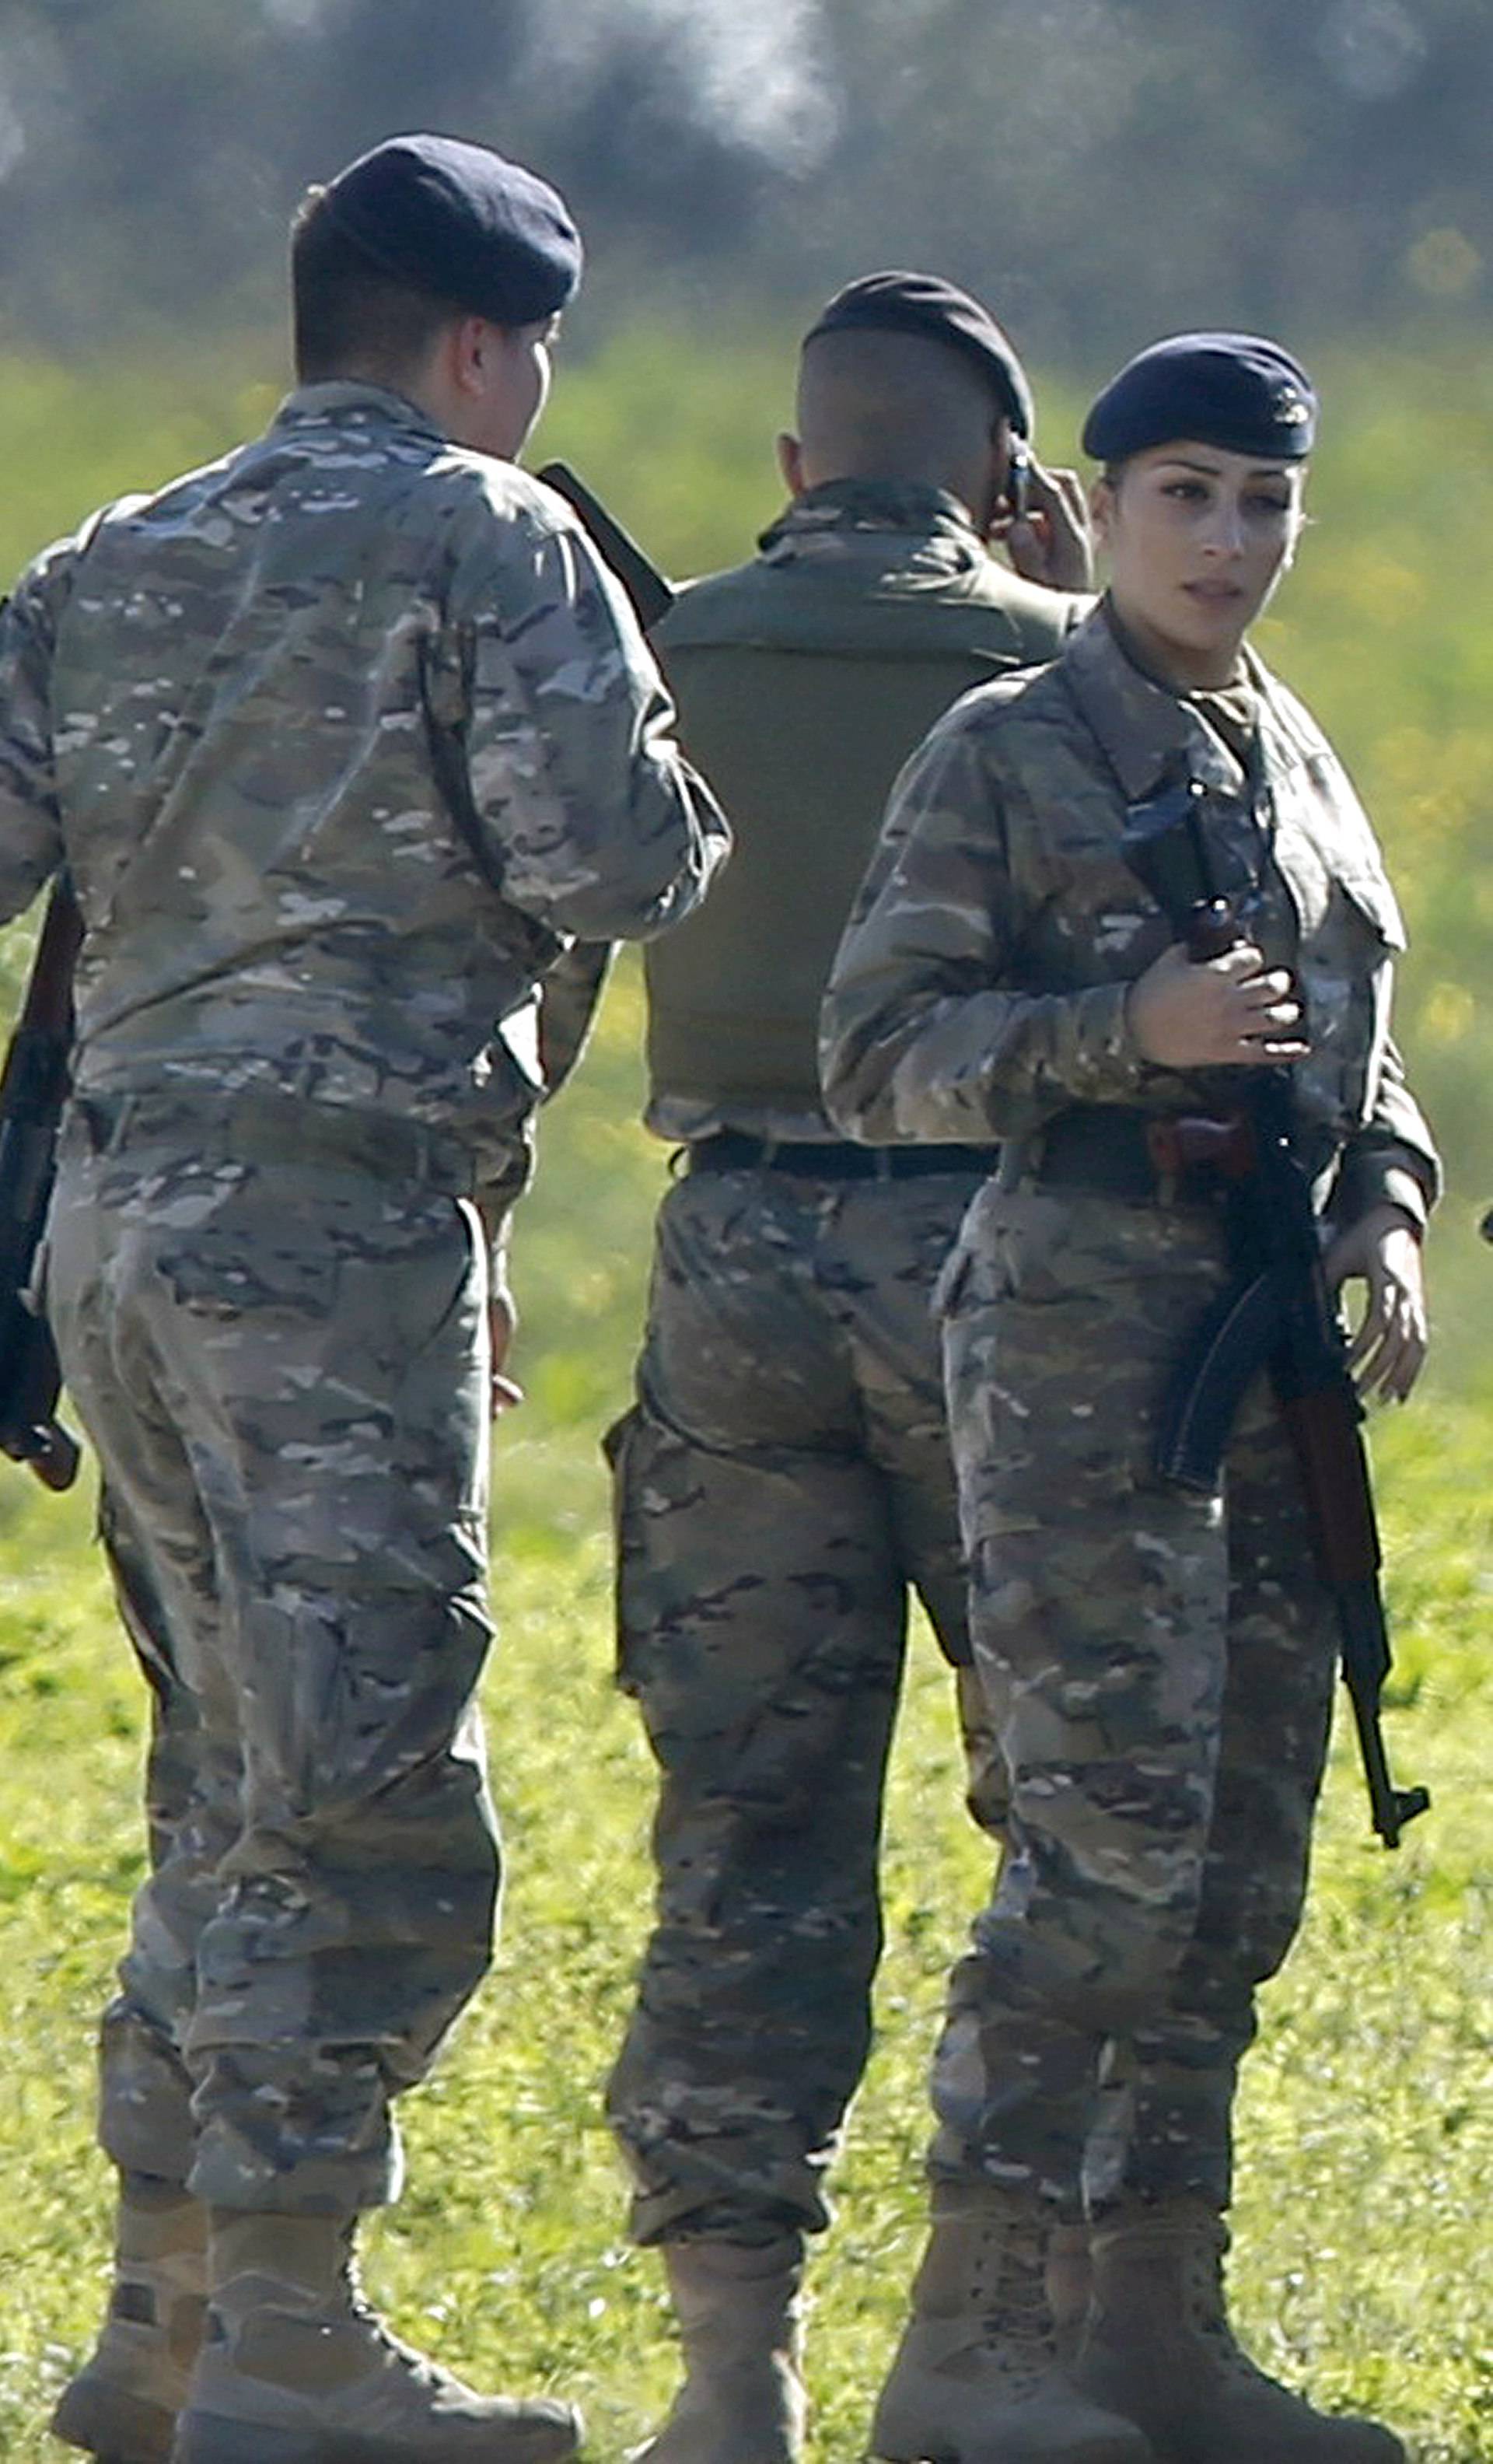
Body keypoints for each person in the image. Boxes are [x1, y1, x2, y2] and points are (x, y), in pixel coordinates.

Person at [0, 133, 726, 2464]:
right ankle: (297, 2354)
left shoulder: (112, 555)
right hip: (334, 1231)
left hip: (117, 1232)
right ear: (486, 347)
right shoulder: (486, 532)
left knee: (229, 1764)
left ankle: (167, 2329)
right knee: (373, 1786)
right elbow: (612, 858)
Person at [821, 333, 1438, 2464]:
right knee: (1097, 1848)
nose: (1231, 542)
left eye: (1265, 502)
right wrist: (1122, 1028)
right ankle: (968, 2350)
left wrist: (1391, 1214)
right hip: (1084, 1339)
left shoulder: (1301, 752)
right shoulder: (1010, 747)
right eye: (1186, 494)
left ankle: (1148, 2329)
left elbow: (1368, 1055)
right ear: (1095, 512)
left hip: (1268, 1357)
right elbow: (878, 1051)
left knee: (1238, 1860)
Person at [603, 270, 1092, 2463]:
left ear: (798, 466)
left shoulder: (663, 647)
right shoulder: (1063, 674)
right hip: (1000, 1259)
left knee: (752, 1823)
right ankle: (998, 2335)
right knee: (1068, 1811)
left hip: (728, 1259)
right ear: (1010, 479)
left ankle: (731, 2368)